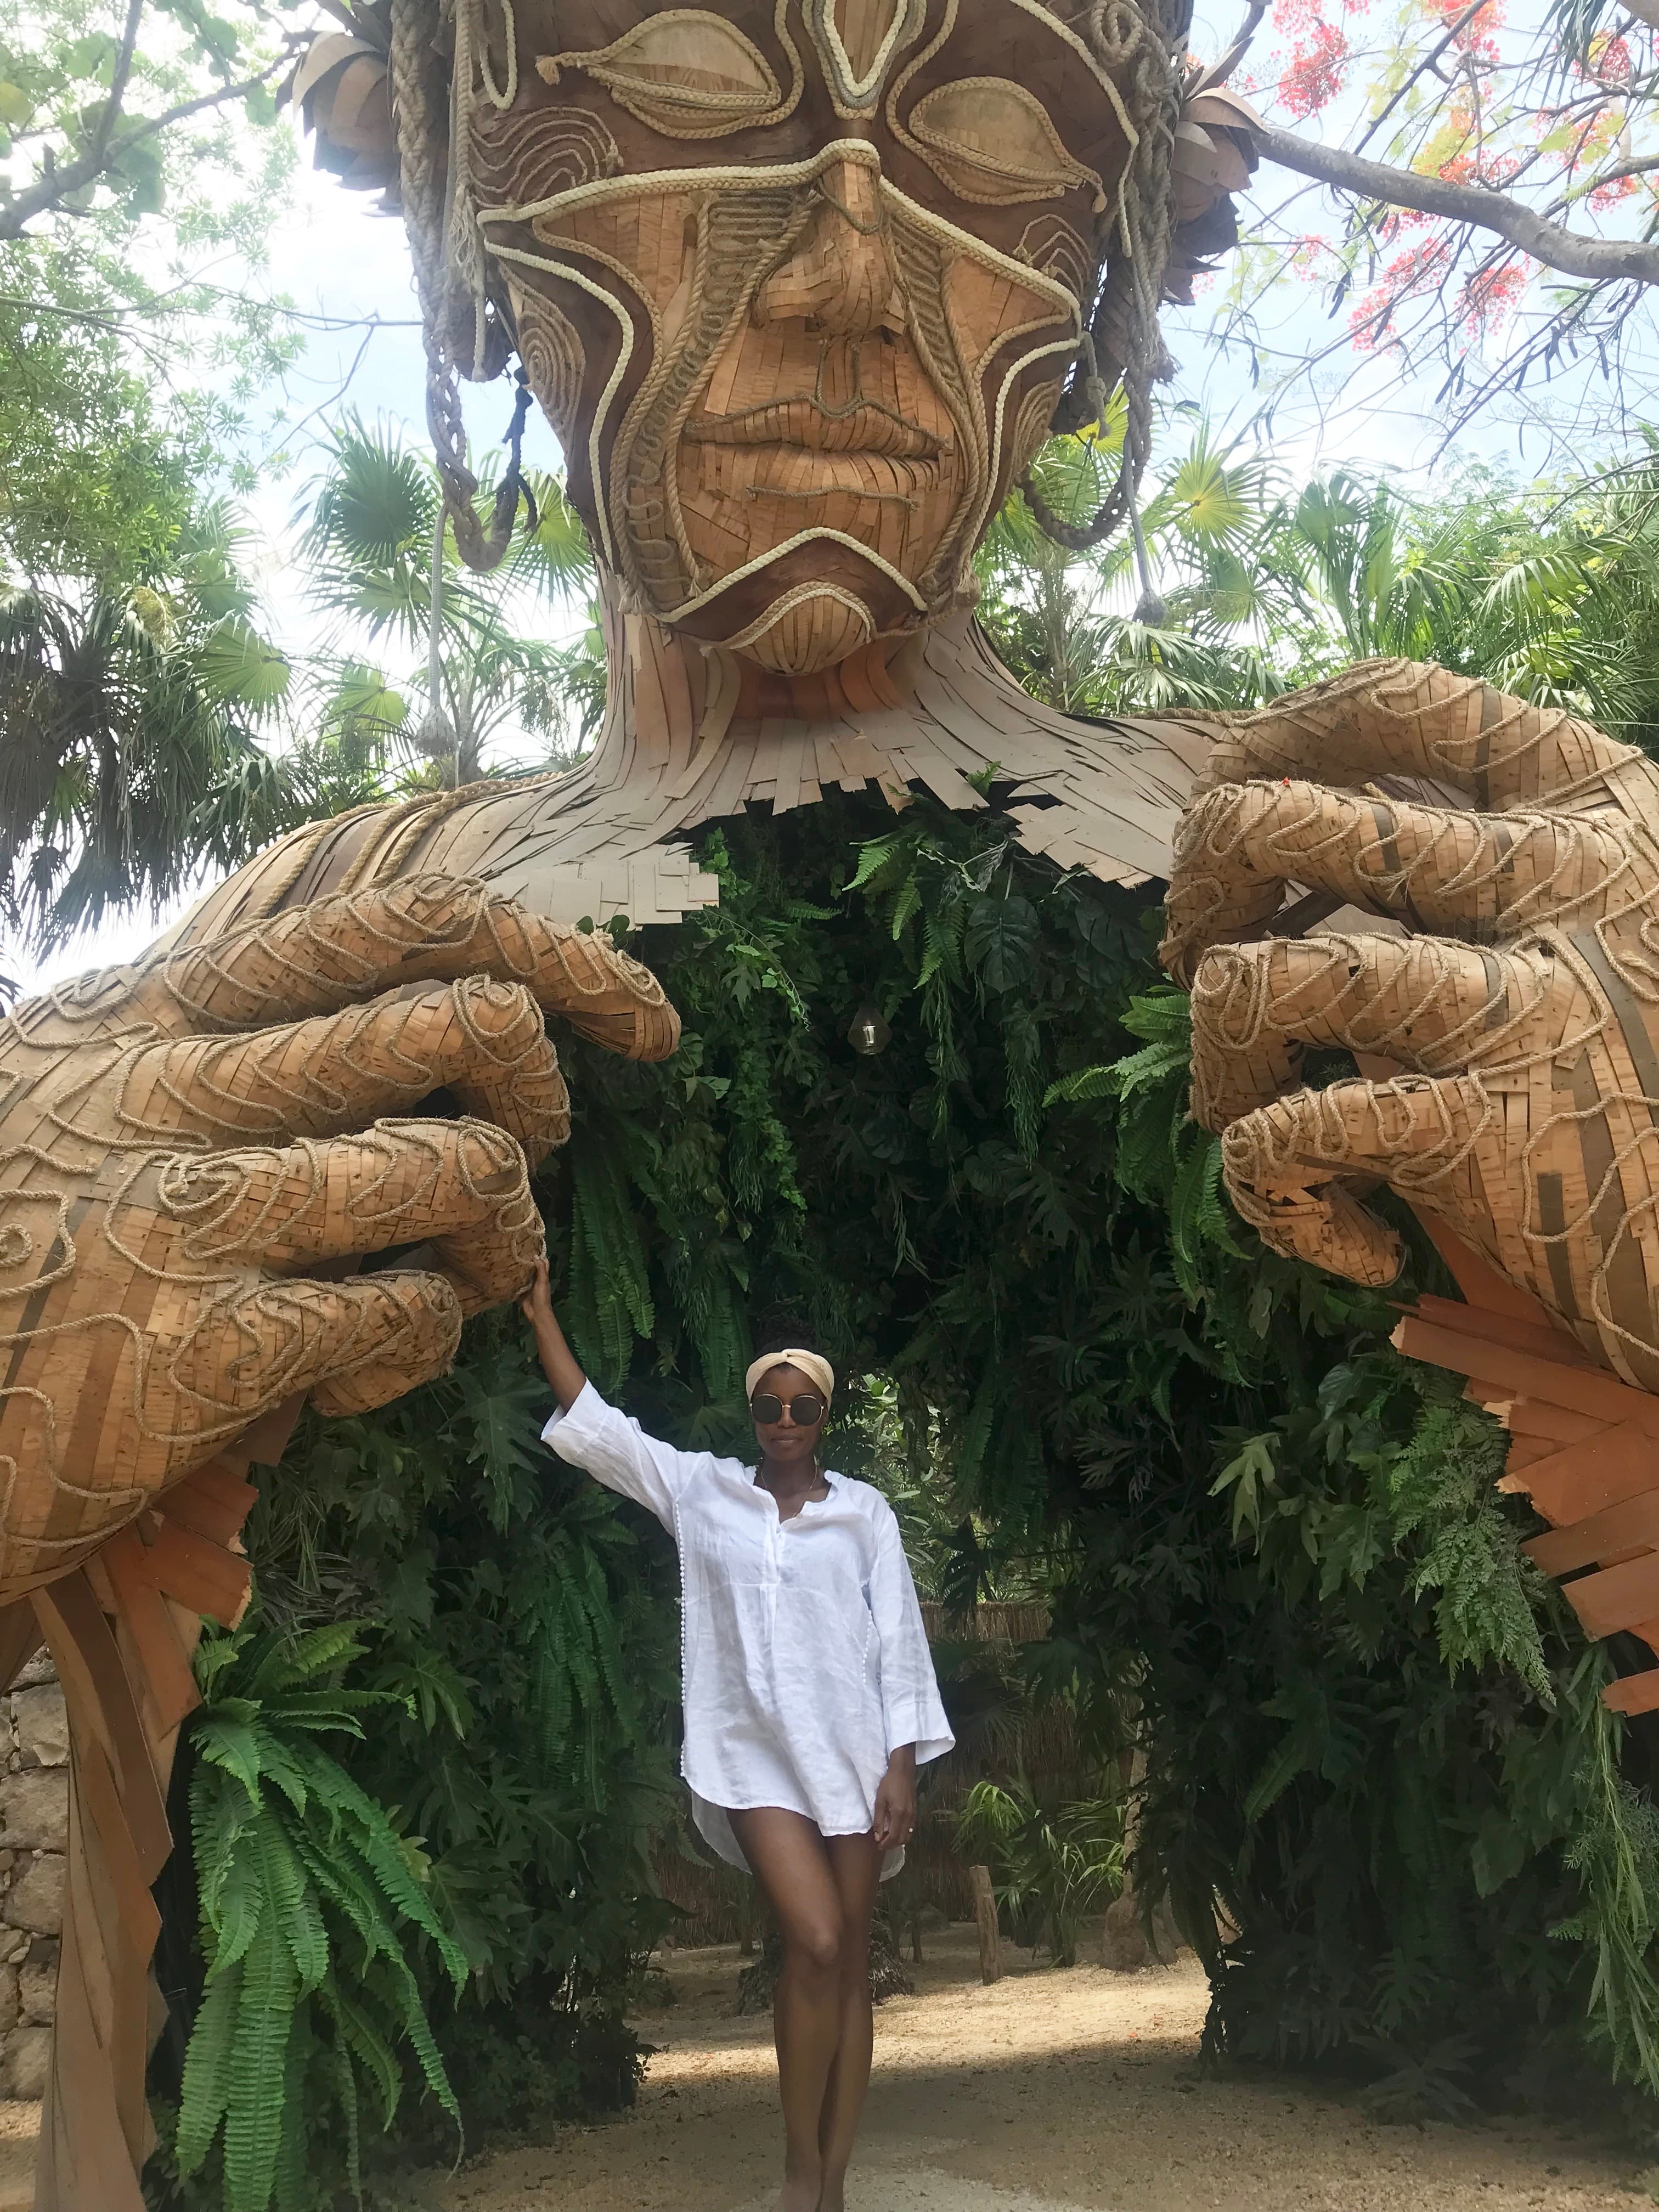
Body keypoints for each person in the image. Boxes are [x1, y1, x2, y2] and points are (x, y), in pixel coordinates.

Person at [520, 1257, 953, 2212]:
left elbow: (898, 1642)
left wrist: (901, 1768)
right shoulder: (704, 1491)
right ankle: (799, 2171)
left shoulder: (865, 1514)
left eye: (803, 1407)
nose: (785, 1421)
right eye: (769, 1407)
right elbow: (600, 1431)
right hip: (753, 1757)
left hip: (855, 1757)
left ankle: (833, 2184)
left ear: (825, 1415)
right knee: (814, 1938)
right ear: (753, 1414)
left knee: (849, 1960)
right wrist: (543, 1313)